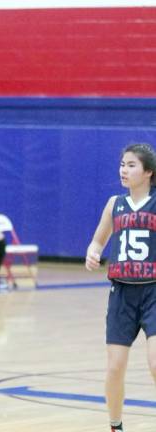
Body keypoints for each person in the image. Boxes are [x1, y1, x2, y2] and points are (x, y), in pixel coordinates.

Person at [85, 143, 156, 432]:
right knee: (115, 369)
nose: (123, 170)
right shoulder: (115, 203)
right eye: (122, 164)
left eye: (131, 165)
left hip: (154, 292)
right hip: (121, 294)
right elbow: (98, 240)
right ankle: (116, 425)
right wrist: (93, 251)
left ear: (148, 172)